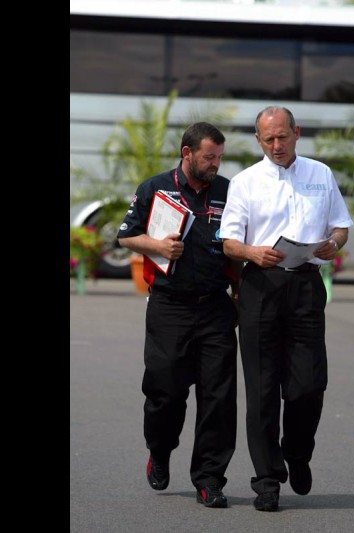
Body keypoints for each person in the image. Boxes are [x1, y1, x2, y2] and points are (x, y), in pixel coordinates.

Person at [219, 106, 353, 512]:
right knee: (261, 391)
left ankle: (297, 452)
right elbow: (228, 241)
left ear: (296, 133)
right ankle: (267, 480)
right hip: (261, 285)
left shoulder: (321, 174)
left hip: (307, 285)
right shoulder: (245, 182)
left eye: (283, 137)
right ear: (259, 141)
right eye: (268, 139)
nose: (276, 146)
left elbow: (341, 226)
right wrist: (251, 252)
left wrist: (334, 243)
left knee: (309, 385)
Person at [117, 122, 242, 509]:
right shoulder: (155, 188)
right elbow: (124, 236)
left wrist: (239, 291)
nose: (215, 165)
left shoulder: (228, 191)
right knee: (165, 393)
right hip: (168, 306)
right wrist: (156, 245)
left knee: (219, 399)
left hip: (216, 307)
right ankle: (160, 448)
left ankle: (209, 479)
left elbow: (239, 243)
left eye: (219, 157)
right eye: (209, 157)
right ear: (187, 153)